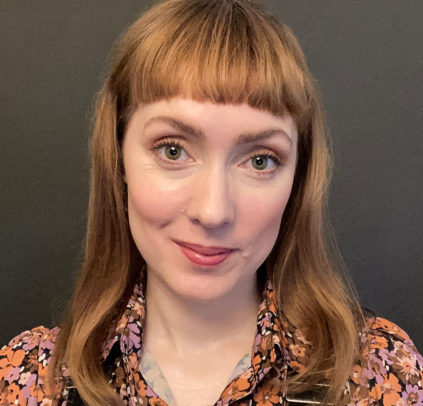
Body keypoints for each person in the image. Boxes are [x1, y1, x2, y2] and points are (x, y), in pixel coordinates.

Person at [1, 0, 422, 405]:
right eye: (172, 150)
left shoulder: (377, 373)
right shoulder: (31, 381)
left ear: (298, 178)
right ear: (118, 158)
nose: (213, 211)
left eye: (260, 160)